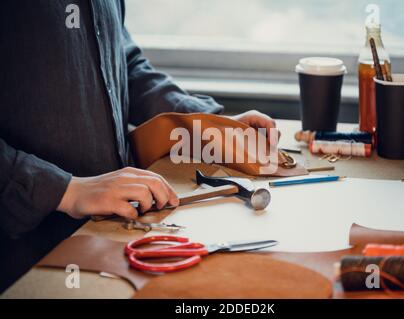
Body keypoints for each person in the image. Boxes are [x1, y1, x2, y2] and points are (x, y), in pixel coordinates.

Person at [0, 1, 278, 291]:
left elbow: (124, 62)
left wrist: (206, 126)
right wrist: (66, 190)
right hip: (24, 256)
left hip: (110, 232)